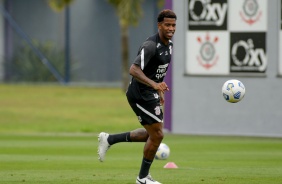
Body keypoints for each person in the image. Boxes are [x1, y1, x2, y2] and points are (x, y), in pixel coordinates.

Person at [98, 9, 177, 184]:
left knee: (153, 134)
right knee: (157, 135)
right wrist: (155, 85)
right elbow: (133, 69)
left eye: (173, 25)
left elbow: (157, 71)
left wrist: (158, 89)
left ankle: (110, 139)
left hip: (150, 92)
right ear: (159, 25)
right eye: (167, 25)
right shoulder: (150, 45)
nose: (171, 28)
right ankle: (142, 178)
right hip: (139, 93)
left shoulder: (169, 45)